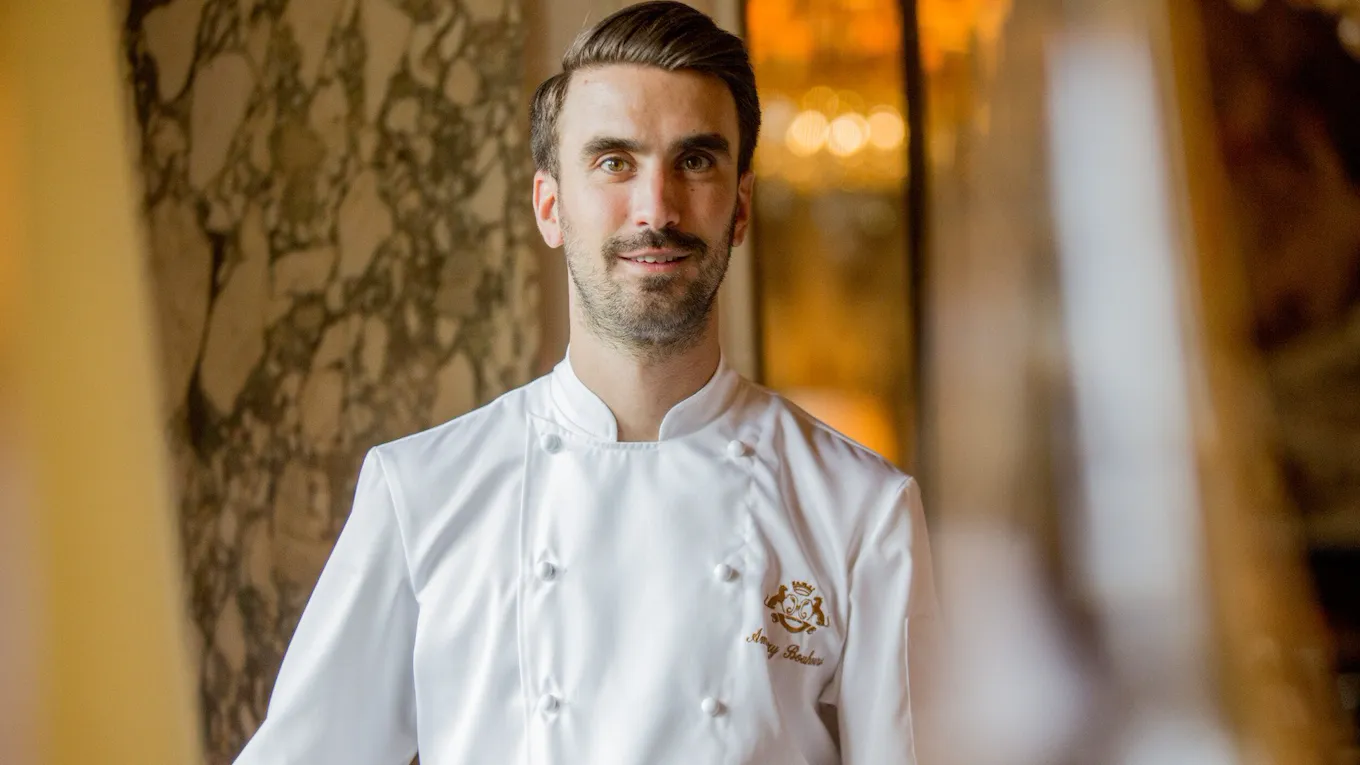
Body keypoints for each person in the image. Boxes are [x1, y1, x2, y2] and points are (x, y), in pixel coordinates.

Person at [233, 2, 937, 763]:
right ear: (550, 205)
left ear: (739, 207)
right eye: (613, 162)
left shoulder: (861, 511)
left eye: (695, 160)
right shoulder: (420, 495)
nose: (655, 208)